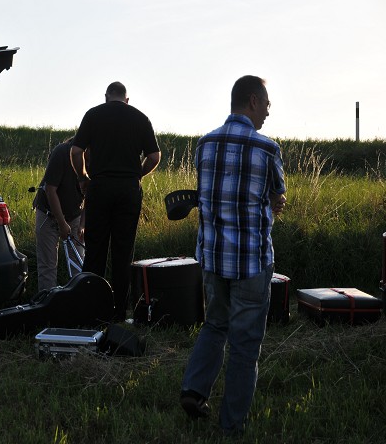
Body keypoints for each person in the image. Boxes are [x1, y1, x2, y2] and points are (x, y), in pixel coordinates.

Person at [180, 75, 287, 436]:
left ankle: (194, 390)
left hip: (212, 258)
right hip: (251, 261)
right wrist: (277, 203)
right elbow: (276, 195)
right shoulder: (267, 149)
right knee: (244, 344)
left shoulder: (204, 144)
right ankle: (232, 425)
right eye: (267, 105)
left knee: (215, 324)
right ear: (253, 101)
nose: (268, 113)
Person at [70, 81, 161, 322]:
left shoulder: (93, 114)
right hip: (128, 190)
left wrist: (82, 178)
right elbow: (154, 156)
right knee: (123, 252)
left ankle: (91, 311)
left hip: (99, 187)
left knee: (95, 251)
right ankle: (120, 313)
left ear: (106, 97)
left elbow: (76, 151)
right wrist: (137, 175)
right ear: (127, 99)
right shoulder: (140, 118)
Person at [34, 137, 85, 292]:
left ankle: (79, 302)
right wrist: (62, 223)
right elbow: (50, 190)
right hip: (48, 213)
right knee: (48, 265)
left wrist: (82, 225)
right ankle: (48, 307)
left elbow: (91, 195)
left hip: (75, 214)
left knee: (78, 263)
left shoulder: (98, 158)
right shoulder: (61, 152)